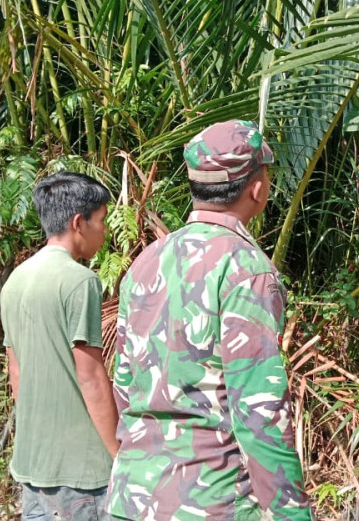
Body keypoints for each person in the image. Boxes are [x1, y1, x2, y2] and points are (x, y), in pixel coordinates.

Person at [108, 120, 311, 520]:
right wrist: (292, 514)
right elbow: (260, 410)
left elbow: (124, 384)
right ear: (257, 187)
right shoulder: (246, 269)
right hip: (212, 502)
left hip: (134, 497)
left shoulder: (147, 261)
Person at [0, 171, 119, 520]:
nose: (106, 231)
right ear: (78, 222)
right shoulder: (80, 282)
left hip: (33, 464)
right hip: (82, 470)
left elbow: (15, 371)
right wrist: (117, 452)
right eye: (102, 221)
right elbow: (91, 376)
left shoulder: (16, 281)